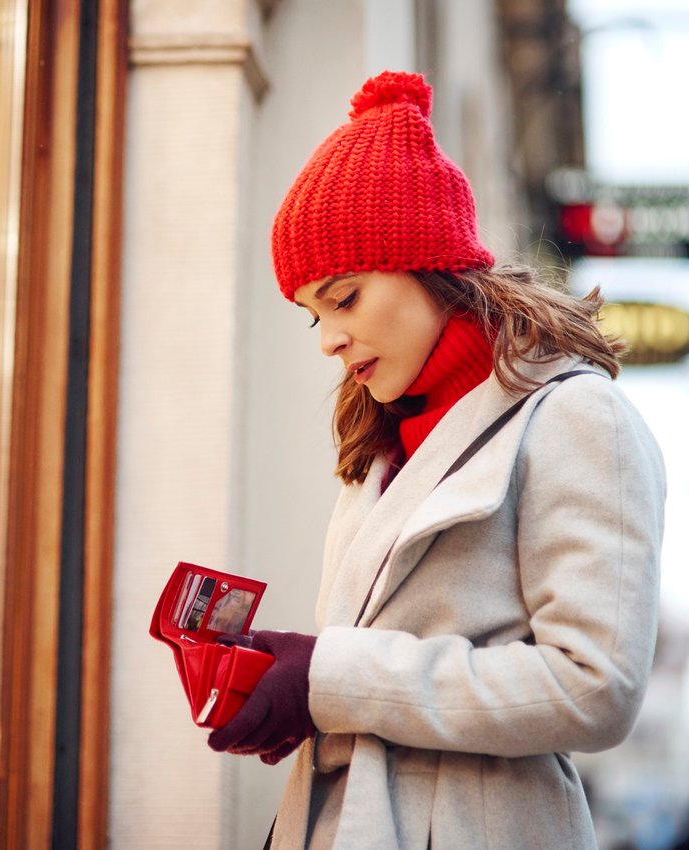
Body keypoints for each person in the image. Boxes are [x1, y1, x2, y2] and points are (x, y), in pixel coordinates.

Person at [206, 70, 667, 849]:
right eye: (310, 314)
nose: (327, 339)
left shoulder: (576, 418)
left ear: (430, 265)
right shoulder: (382, 443)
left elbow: (597, 688)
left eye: (344, 298)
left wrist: (329, 680)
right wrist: (290, 690)